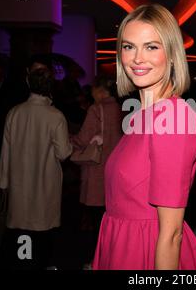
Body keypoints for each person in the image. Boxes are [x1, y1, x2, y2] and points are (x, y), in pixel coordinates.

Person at [92, 4, 196, 270]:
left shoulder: (173, 118)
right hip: (121, 244)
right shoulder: (138, 117)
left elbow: (171, 234)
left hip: (148, 252)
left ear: (171, 55)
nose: (137, 58)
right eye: (129, 46)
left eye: (151, 47)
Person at [0, 63, 73, 270]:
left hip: (19, 182)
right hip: (44, 183)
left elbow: (6, 152)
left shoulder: (14, 113)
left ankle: (23, 264)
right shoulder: (55, 116)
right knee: (43, 231)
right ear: (50, 86)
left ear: (28, 83)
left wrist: (3, 182)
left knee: (21, 230)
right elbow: (63, 153)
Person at [70, 76, 122, 269]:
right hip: (116, 173)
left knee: (97, 221)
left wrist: (66, 137)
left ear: (99, 90)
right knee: (113, 218)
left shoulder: (95, 109)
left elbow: (82, 139)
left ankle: (98, 261)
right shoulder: (122, 108)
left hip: (97, 171)